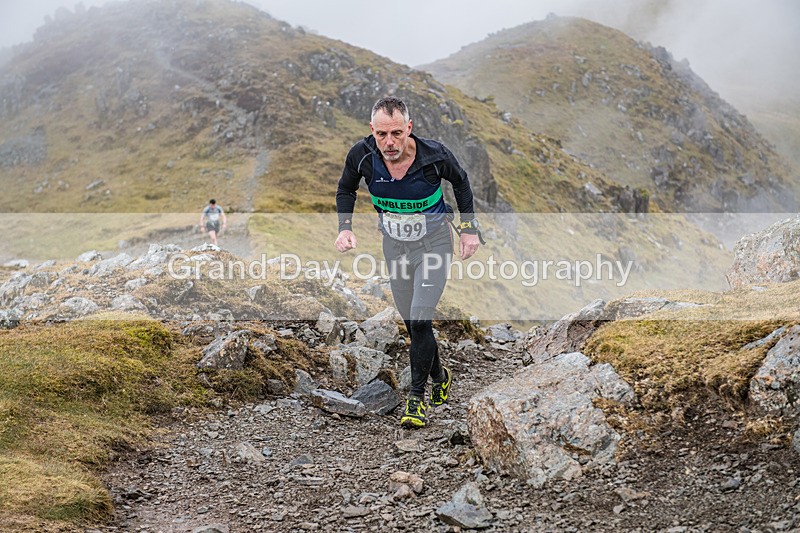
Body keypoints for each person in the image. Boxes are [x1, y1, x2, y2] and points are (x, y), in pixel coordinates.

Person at [335, 96, 482, 428]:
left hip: (434, 244)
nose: (389, 142)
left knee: (419, 320)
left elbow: (461, 182)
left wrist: (469, 230)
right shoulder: (362, 156)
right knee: (414, 324)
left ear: (409, 129)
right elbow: (345, 189)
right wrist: (345, 228)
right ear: (372, 130)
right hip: (395, 247)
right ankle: (439, 374)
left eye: (397, 134)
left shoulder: (434, 156)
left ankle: (416, 401)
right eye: (382, 134)